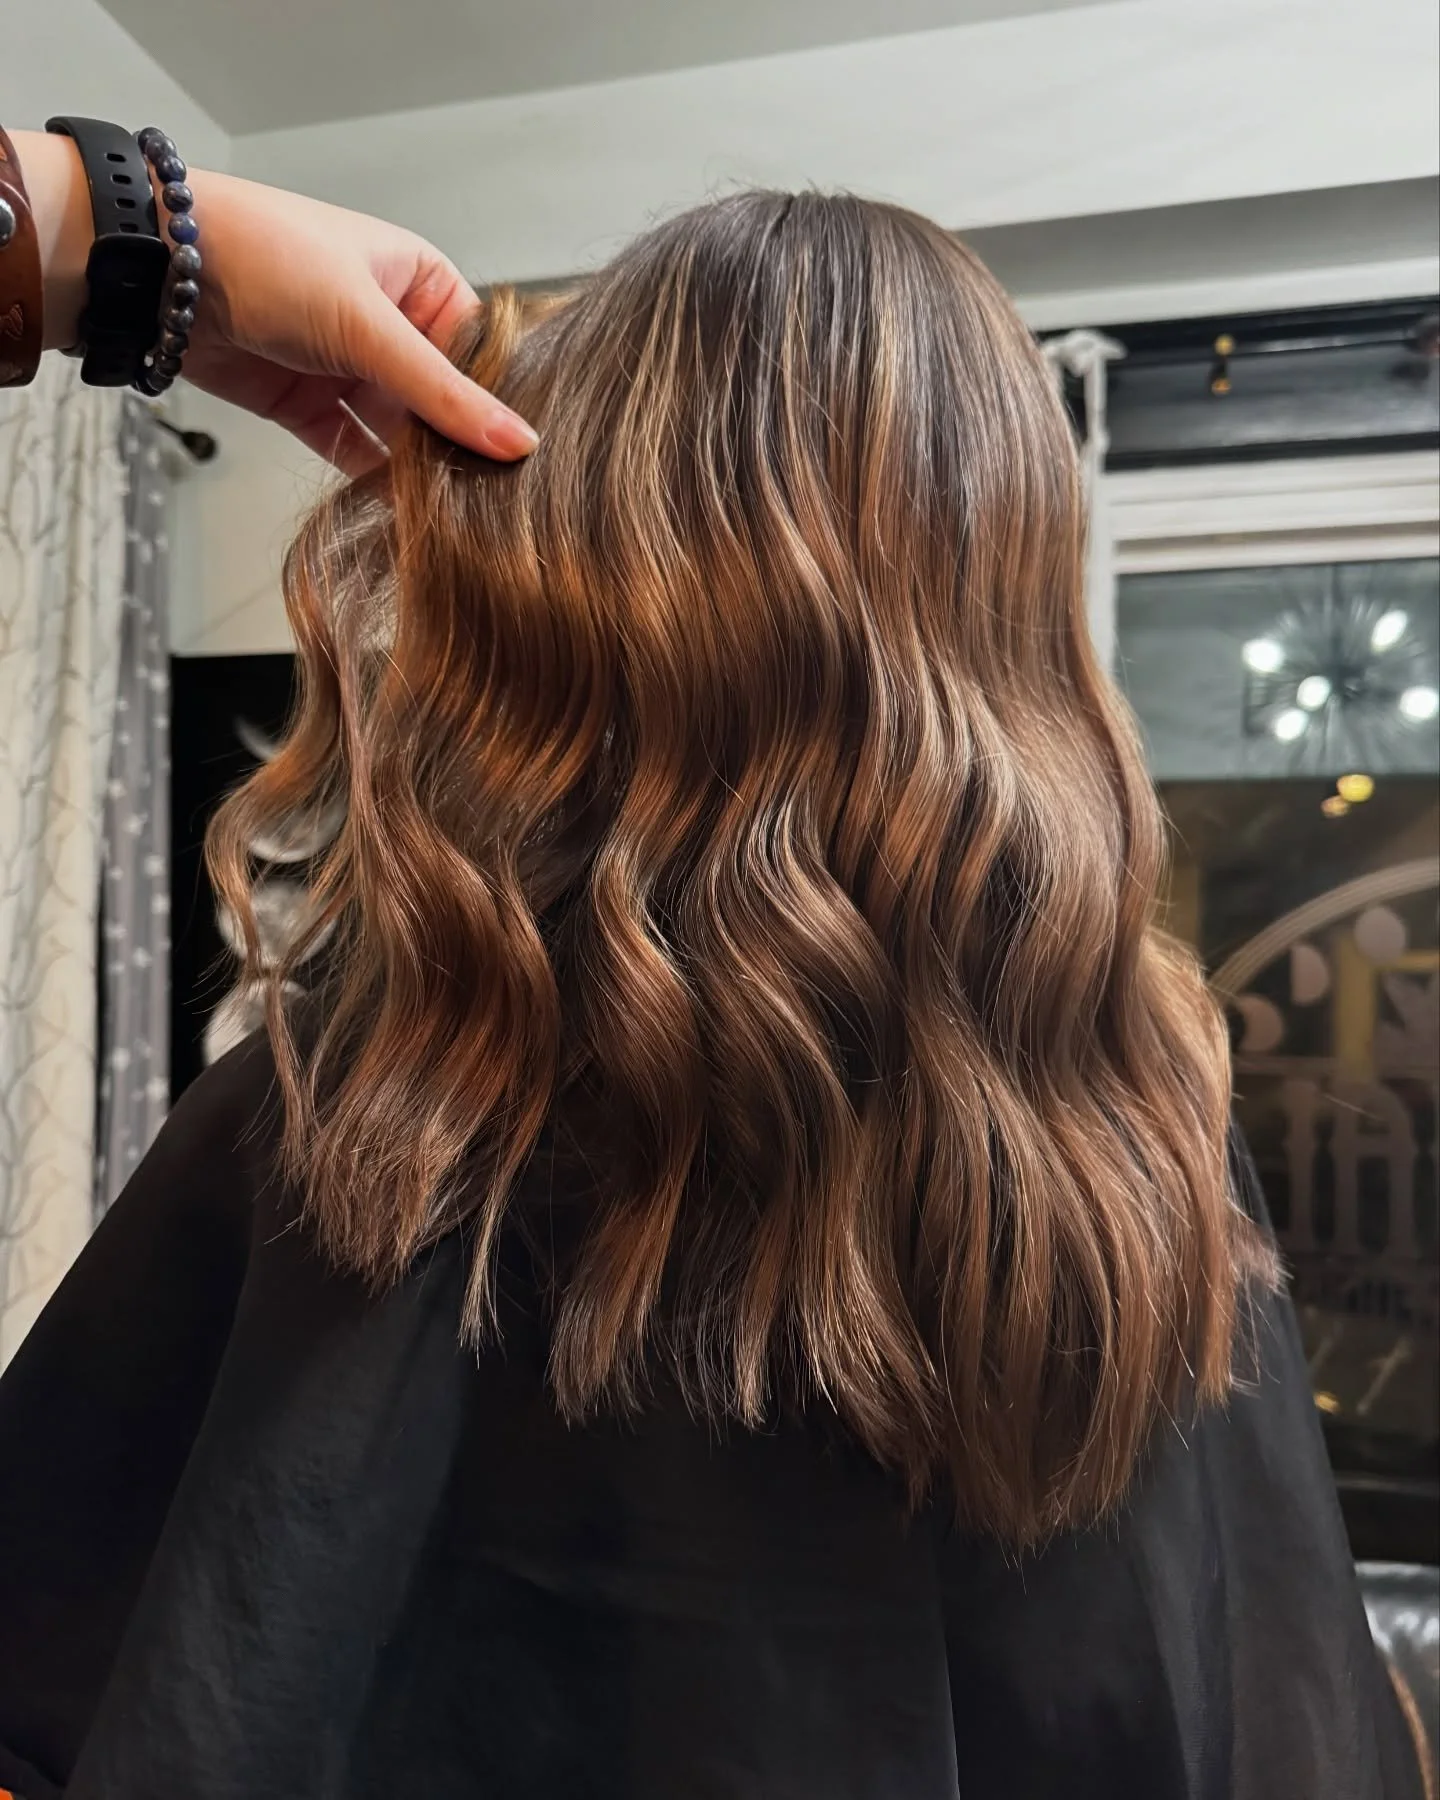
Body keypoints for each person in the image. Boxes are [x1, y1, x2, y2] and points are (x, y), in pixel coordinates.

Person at [0, 133, 1423, 1800]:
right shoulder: (1140, 1153)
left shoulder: (344, 1114)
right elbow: (1273, 1727)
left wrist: (98, 229)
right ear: (1006, 613)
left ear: (552, 584)